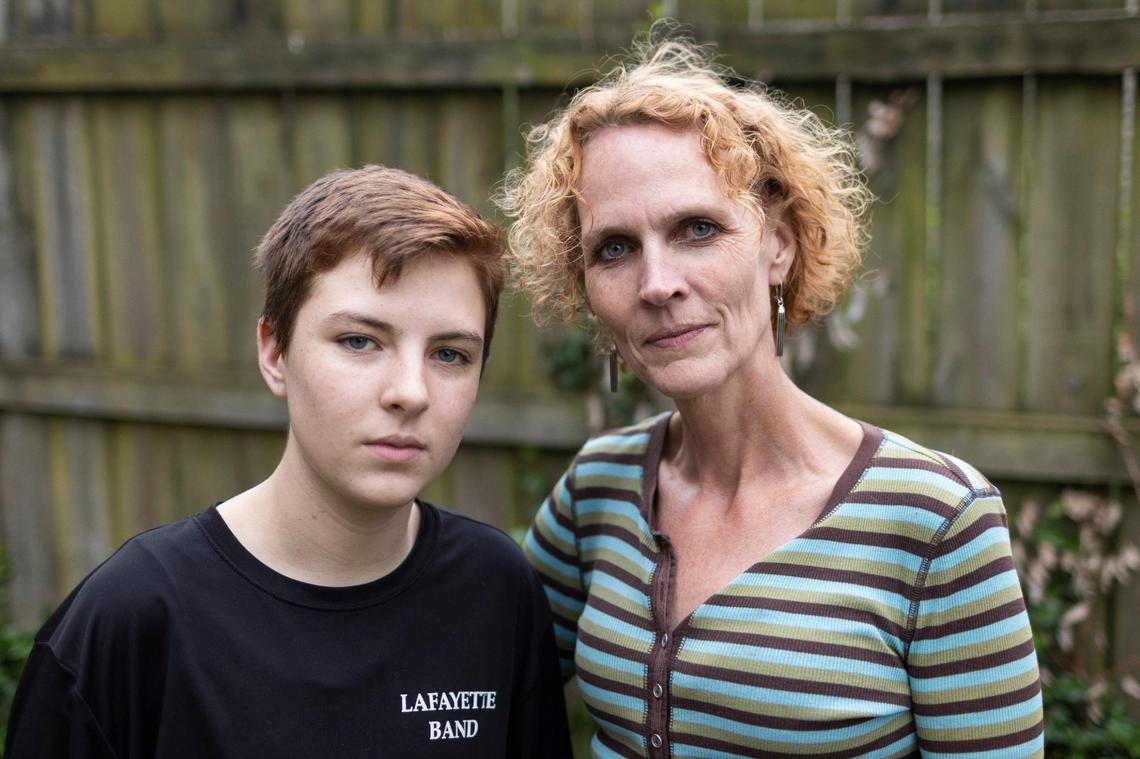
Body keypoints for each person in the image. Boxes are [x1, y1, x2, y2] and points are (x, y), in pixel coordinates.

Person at [499, 34, 1044, 758]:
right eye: (615, 248)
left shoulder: (935, 520)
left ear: (778, 244)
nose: (657, 283)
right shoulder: (596, 491)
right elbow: (468, 675)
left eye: (698, 228)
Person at [6, 166, 572, 758]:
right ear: (274, 353)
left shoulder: (495, 591)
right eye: (360, 341)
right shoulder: (132, 619)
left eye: (450, 354)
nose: (411, 391)